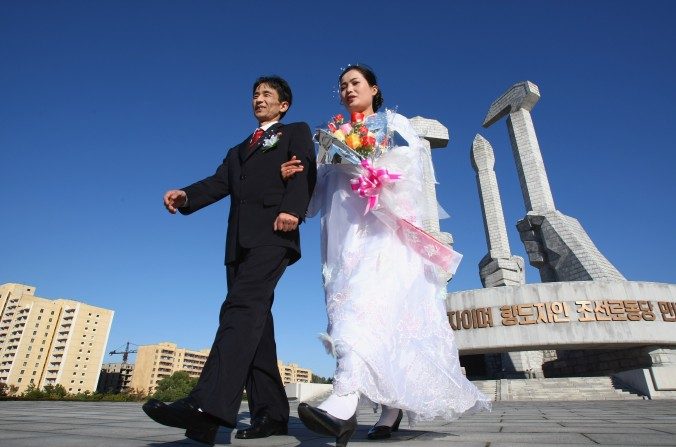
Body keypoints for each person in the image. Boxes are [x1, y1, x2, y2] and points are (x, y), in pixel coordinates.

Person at [282, 65, 491, 446]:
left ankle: (344, 401)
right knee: (346, 312)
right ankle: (389, 408)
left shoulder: (393, 123)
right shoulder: (331, 137)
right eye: (342, 85)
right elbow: (316, 198)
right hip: (342, 241)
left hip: (384, 233)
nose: (348, 90)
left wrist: (372, 171)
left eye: (355, 83)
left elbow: (412, 169)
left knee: (364, 310)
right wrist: (299, 175)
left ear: (373, 88)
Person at [143, 75, 317, 446]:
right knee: (255, 325)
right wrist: (186, 195)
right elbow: (218, 183)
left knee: (239, 309)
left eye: (267, 94)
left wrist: (292, 210)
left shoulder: (294, 132)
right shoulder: (238, 149)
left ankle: (206, 407)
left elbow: (302, 170)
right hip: (237, 245)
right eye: (255, 94)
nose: (259, 98)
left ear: (283, 105)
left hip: (275, 232)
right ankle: (270, 414)